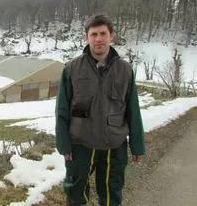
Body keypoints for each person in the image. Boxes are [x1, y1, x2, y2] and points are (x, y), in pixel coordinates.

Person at [55, 13, 146, 206]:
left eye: (103, 33)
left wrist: (137, 145)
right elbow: (62, 110)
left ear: (111, 36)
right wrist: (63, 145)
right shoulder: (71, 68)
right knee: (75, 193)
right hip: (81, 145)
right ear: (86, 37)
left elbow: (132, 109)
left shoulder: (125, 70)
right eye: (94, 34)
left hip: (114, 145)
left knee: (112, 194)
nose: (98, 39)